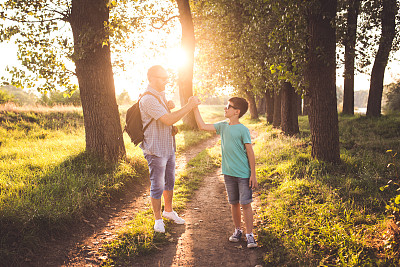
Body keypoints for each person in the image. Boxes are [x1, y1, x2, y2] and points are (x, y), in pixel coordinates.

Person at [139, 65, 200, 233]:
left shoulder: (161, 95)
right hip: (155, 149)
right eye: (162, 78)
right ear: (151, 78)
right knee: (157, 185)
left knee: (169, 181)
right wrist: (189, 105)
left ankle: (168, 211)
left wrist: (171, 125)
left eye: (166, 77)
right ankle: (158, 220)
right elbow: (167, 119)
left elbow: (166, 122)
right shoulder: (148, 99)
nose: (166, 81)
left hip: (168, 146)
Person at [193, 97, 258, 248]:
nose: (225, 108)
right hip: (228, 174)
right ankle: (238, 230)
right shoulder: (223, 126)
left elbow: (250, 153)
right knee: (234, 203)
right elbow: (202, 126)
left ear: (237, 112)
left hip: (243, 174)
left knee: (245, 204)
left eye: (229, 106)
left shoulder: (243, 130)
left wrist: (253, 175)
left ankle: (249, 235)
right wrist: (194, 107)